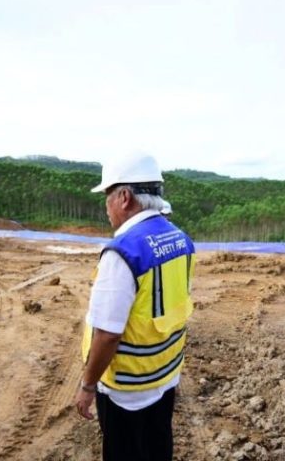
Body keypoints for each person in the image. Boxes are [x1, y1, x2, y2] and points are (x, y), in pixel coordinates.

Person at [74, 153, 196, 461]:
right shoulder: (180, 239)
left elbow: (107, 335)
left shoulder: (122, 252)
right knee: (157, 447)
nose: (106, 208)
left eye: (107, 197)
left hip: (127, 388)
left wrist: (87, 386)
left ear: (124, 197)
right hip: (165, 374)